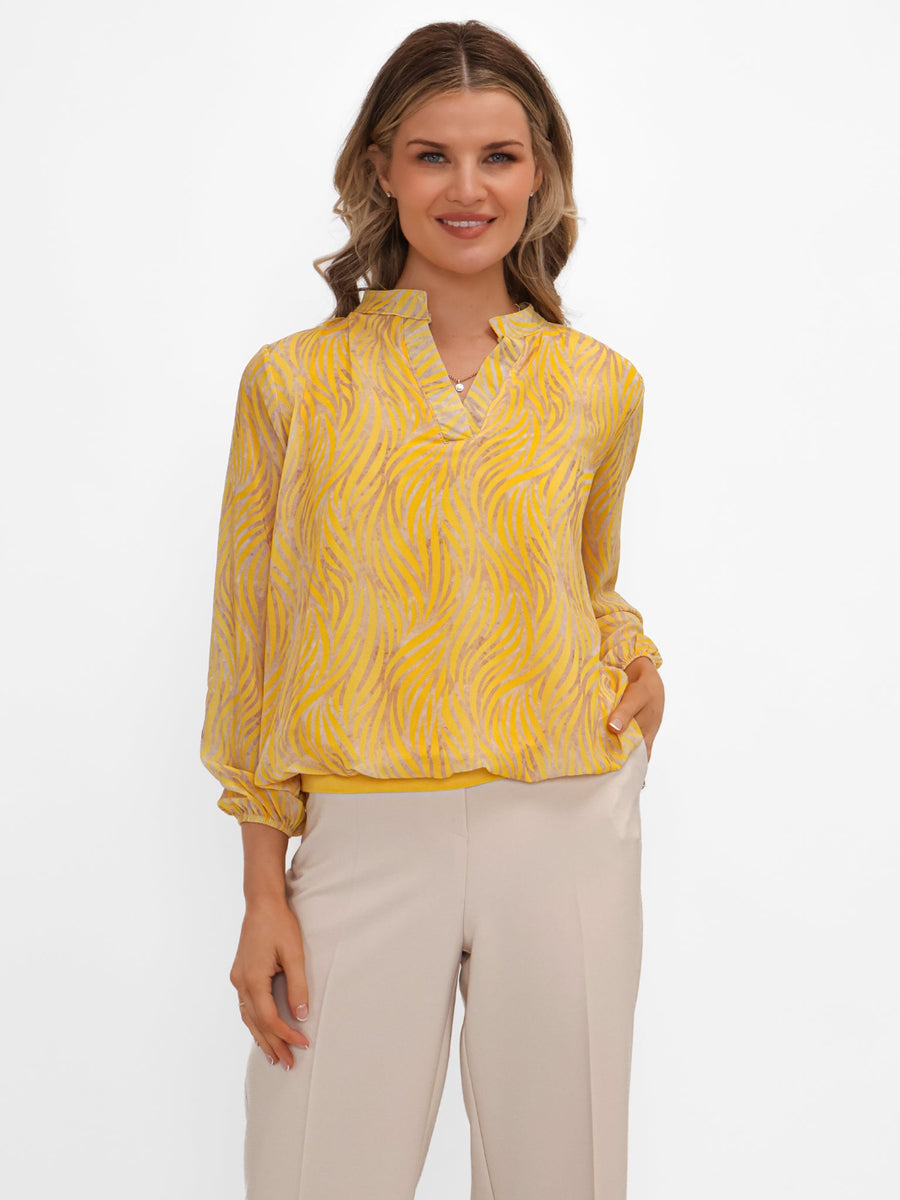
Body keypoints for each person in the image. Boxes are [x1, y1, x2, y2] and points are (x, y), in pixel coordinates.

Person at [200, 19, 664, 1200]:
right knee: (313, 1174)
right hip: (361, 830)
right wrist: (263, 888)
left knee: (565, 1177)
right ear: (381, 169)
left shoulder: (598, 385)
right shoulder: (292, 383)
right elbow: (252, 636)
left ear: (541, 171)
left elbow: (587, 578)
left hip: (563, 817)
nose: (468, 190)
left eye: (499, 157)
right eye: (432, 156)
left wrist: (634, 657)